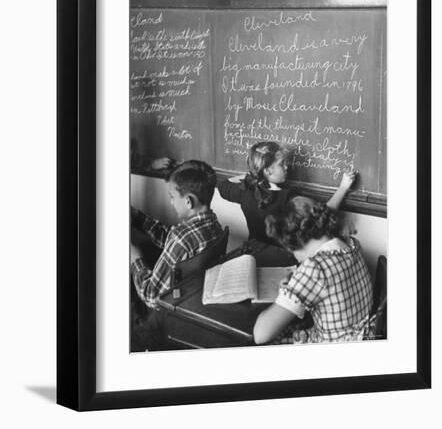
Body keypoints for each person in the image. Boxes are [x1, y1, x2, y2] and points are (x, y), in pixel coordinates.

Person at [253, 196, 373, 345]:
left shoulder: (315, 268)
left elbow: (261, 335)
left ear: (292, 242)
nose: (294, 256)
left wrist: (285, 294)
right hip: (358, 339)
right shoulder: (351, 245)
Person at [130, 161, 223, 350]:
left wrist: (135, 259)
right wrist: (137, 217)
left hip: (166, 317)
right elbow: (170, 237)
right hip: (191, 299)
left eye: (172, 197)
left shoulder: (181, 238)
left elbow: (150, 296)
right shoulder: (214, 225)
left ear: (188, 201)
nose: (171, 202)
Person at [217, 141, 356, 244]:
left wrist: (254, 173)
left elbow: (223, 186)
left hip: (254, 256)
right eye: (282, 164)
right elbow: (323, 214)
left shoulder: (245, 192)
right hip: (281, 259)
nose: (287, 166)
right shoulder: (286, 198)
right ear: (268, 170)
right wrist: (343, 187)